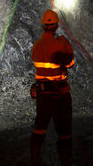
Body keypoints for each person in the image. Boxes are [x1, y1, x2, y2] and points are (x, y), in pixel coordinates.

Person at [30, 9, 75, 166]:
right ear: (56, 26)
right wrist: (64, 44)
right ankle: (65, 161)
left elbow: (39, 68)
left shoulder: (36, 46)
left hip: (43, 94)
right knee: (64, 132)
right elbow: (70, 63)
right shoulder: (61, 43)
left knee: (40, 127)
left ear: (43, 26)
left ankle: (34, 160)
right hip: (60, 94)